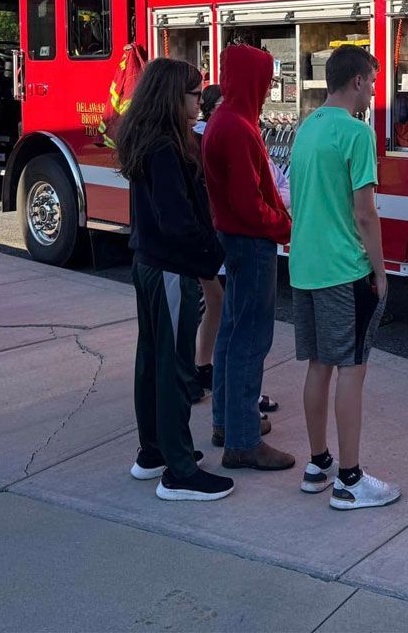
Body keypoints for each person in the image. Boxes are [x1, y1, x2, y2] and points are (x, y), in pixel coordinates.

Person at [117, 57, 233, 502]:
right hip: (170, 267)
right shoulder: (167, 146)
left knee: (152, 360)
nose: (199, 100)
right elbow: (178, 220)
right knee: (174, 367)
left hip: (149, 262)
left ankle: (155, 453)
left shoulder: (148, 138)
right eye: (193, 92)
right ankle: (180, 472)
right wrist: (212, 258)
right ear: (172, 96)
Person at [288, 45, 399, 509]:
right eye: (372, 80)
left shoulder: (306, 129)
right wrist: (380, 270)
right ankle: (350, 481)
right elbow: (365, 214)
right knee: (352, 369)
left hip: (304, 268)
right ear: (356, 81)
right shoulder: (356, 134)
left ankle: (319, 464)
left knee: (319, 366)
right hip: (343, 271)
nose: (374, 89)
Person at [202, 44, 295, 471]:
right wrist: (284, 227)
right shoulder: (238, 126)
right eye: (266, 78)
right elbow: (248, 202)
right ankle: (242, 440)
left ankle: (227, 422)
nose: (268, 86)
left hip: (235, 238)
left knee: (232, 332)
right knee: (251, 339)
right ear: (251, 80)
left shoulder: (225, 120)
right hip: (250, 241)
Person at [190, 85, 277, 419]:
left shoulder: (215, 131)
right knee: (241, 329)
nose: (265, 94)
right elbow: (246, 198)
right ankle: (239, 421)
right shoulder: (226, 132)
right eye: (194, 96)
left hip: (219, 240)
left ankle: (221, 401)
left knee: (224, 314)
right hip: (229, 240)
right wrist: (280, 225)